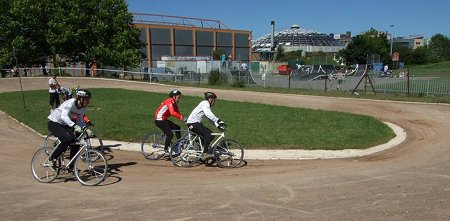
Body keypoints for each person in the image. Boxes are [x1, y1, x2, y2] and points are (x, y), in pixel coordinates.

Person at [47, 89, 92, 169]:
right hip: (54, 122)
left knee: (76, 143)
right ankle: (52, 159)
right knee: (66, 139)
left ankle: (71, 167)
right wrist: (74, 125)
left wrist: (85, 128)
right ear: (80, 98)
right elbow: (63, 116)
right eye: (86, 100)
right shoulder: (71, 103)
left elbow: (80, 121)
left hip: (64, 124)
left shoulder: (82, 108)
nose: (88, 102)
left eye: (88, 100)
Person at [186, 92, 226, 160]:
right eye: (214, 100)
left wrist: (218, 126)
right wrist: (218, 120)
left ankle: (202, 151)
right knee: (208, 134)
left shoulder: (205, 105)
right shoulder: (205, 103)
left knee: (211, 135)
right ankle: (205, 153)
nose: (214, 102)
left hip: (195, 123)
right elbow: (208, 114)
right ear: (210, 99)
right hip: (192, 123)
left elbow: (210, 119)